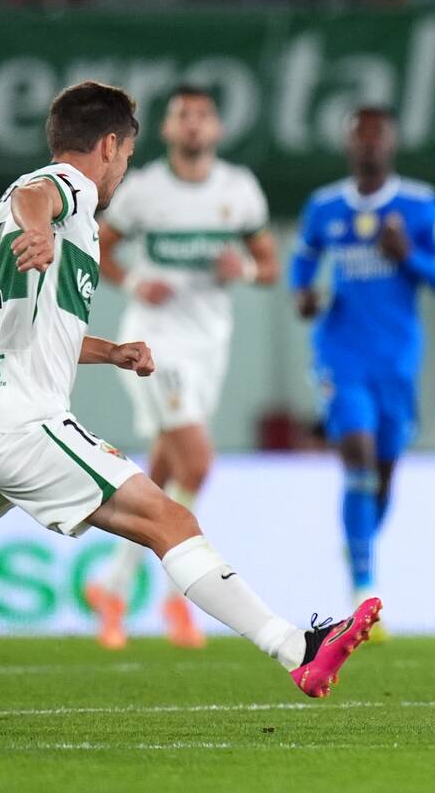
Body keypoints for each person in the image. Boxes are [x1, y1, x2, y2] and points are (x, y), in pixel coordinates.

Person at [0, 81, 380, 743]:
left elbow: (29, 324)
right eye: (125, 155)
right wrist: (38, 226)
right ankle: (296, 649)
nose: (122, 170)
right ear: (111, 145)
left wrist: (111, 350)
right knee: (168, 518)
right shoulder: (63, 189)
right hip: (18, 418)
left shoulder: (31, 213)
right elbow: (41, 197)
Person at [83, 85, 280, 650]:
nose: (192, 125)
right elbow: (100, 245)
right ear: (167, 131)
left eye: (202, 116)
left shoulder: (238, 190)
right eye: (181, 117)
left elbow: (269, 268)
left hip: (210, 344)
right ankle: (178, 591)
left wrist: (240, 267)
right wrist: (135, 281)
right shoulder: (144, 192)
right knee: (199, 459)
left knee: (169, 470)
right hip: (155, 340)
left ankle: (114, 587)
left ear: (216, 129)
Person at [291, 107, 435, 638]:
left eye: (376, 137)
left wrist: (408, 256)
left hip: (396, 360)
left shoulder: (420, 204)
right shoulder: (323, 207)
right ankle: (363, 591)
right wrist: (304, 294)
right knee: (359, 459)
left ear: (390, 143)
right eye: (359, 136)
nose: (367, 146)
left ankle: (358, 547)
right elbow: (303, 264)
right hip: (341, 354)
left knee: (383, 475)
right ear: (348, 144)